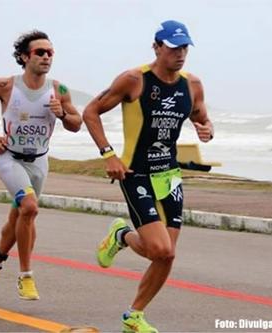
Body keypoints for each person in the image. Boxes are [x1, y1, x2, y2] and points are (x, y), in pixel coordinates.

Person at [83, 20, 213, 332]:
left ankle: (134, 316)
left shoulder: (192, 84)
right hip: (135, 172)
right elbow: (91, 111)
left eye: (184, 48)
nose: (180, 54)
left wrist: (206, 128)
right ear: (156, 47)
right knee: (161, 250)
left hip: (170, 175)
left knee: (167, 256)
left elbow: (200, 115)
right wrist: (108, 155)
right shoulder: (134, 80)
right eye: (172, 48)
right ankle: (123, 235)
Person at [0, 30, 82, 300]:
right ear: (24, 57)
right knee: (30, 208)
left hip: (39, 162)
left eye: (50, 53)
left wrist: (63, 114)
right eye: (40, 52)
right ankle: (25, 276)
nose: (46, 57)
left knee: (19, 217)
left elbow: (76, 124)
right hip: (10, 158)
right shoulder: (5, 85)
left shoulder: (59, 90)